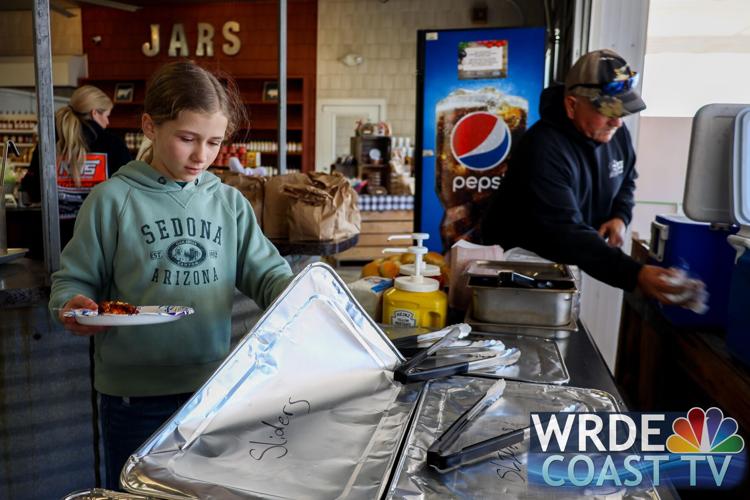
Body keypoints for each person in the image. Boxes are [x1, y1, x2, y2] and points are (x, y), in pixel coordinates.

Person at [48, 61, 294, 489]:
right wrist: (72, 305)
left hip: (211, 391)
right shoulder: (111, 200)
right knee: (134, 494)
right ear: (149, 126)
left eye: (214, 142)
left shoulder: (229, 204)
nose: (201, 155)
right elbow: (74, 280)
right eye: (187, 139)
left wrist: (302, 295)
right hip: (132, 397)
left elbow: (267, 273)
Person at [482, 49, 684, 303]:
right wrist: (635, 274)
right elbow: (564, 230)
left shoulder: (615, 134)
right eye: (608, 111)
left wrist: (619, 216)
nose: (618, 122)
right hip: (516, 273)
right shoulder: (542, 148)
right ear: (571, 105)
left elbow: (627, 180)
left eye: (622, 112)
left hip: (564, 265)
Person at [20, 85, 132, 247]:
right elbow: (128, 192)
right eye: (107, 115)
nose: (108, 122)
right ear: (95, 113)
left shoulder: (48, 142)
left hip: (52, 242)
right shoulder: (112, 144)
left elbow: (32, 191)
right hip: (100, 241)